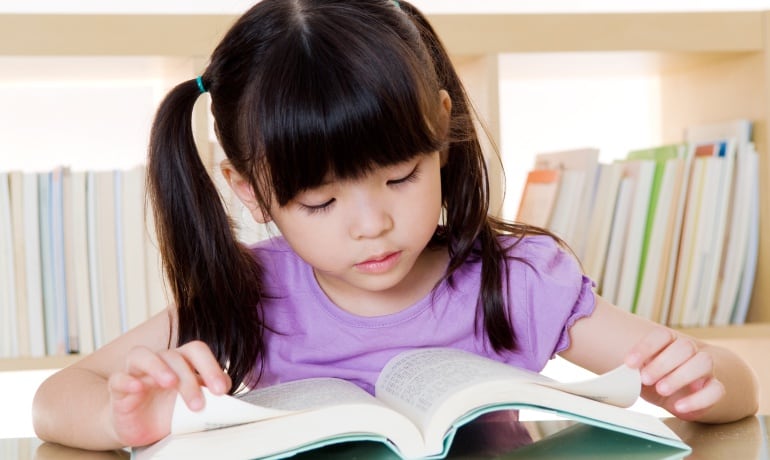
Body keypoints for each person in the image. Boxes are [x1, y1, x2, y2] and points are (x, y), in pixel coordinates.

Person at [32, 0, 758, 451]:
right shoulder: (247, 293)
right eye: (320, 204)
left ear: (442, 129)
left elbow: (735, 393)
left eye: (401, 177)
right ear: (251, 192)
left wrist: (698, 379)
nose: (373, 225)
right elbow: (54, 399)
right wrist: (122, 418)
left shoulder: (516, 277)